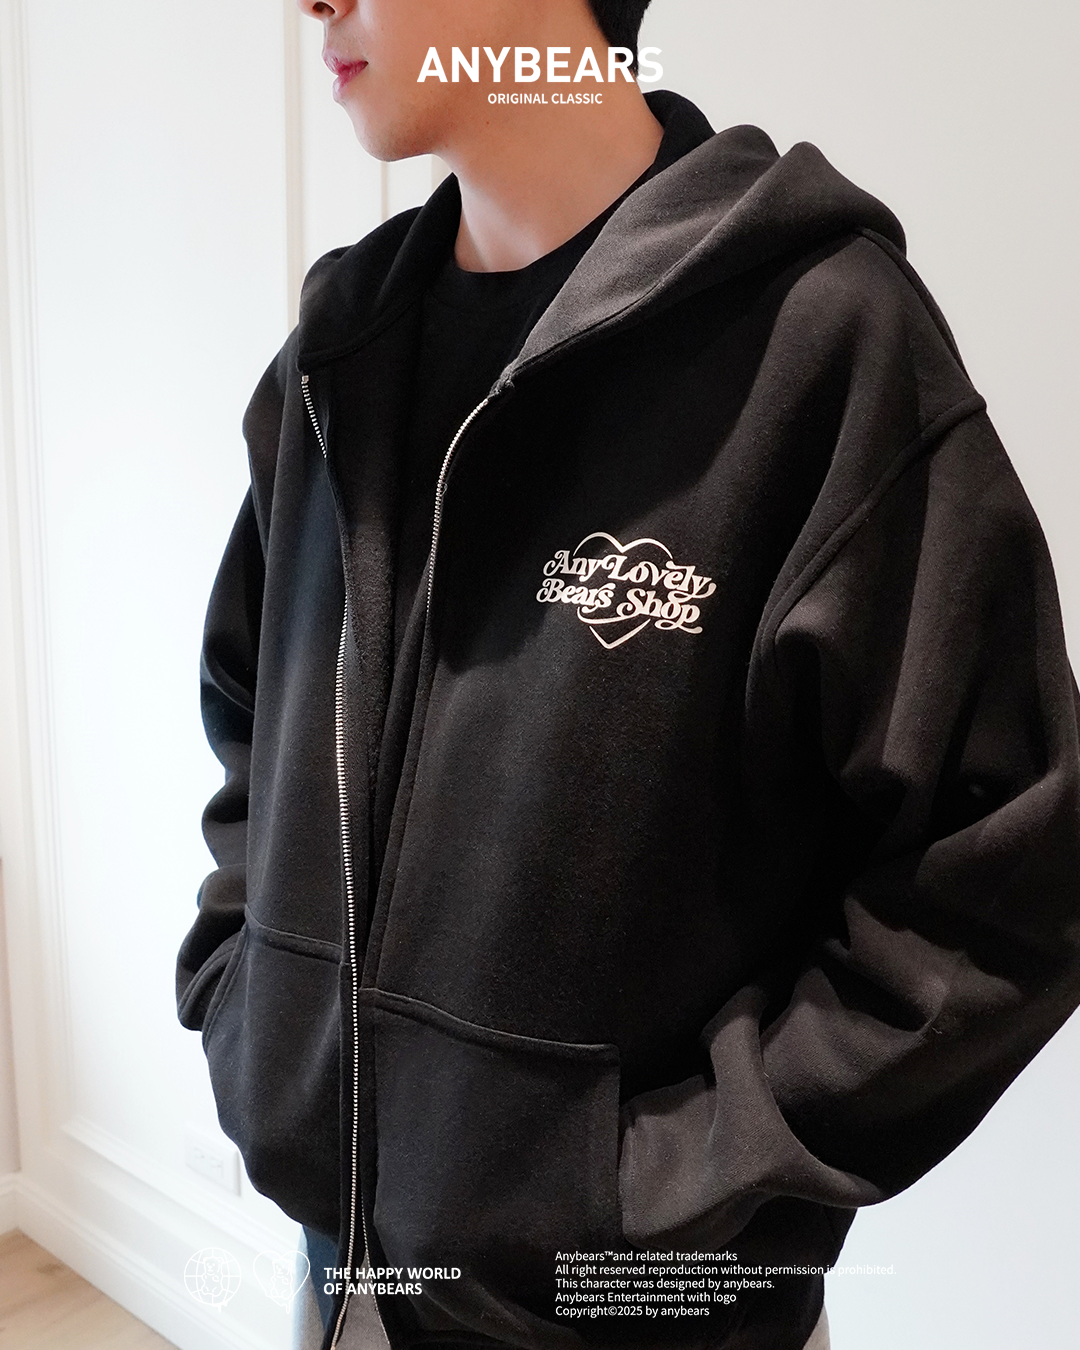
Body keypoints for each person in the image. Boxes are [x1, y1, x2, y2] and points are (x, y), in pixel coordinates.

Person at [175, 1, 1080, 1348]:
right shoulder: (341, 354)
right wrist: (252, 1011)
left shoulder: (819, 345)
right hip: (343, 1282)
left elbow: (1007, 873)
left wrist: (642, 1187)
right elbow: (255, 713)